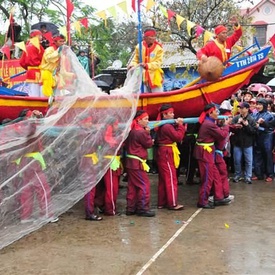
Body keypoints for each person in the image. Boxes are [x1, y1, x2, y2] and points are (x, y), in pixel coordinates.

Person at [194, 103, 231, 209]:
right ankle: (202, 201)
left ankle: (217, 197)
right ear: (210, 113)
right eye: (216, 111)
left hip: (208, 153)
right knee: (207, 178)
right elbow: (222, 135)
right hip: (205, 154)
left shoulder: (209, 122)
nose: (217, 113)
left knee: (213, 175)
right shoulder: (209, 124)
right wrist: (226, 125)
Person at [124, 110, 155, 217]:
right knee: (144, 185)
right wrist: (148, 134)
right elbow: (149, 144)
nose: (147, 121)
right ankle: (143, 208)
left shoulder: (132, 130)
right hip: (137, 162)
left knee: (132, 186)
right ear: (139, 120)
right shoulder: (141, 132)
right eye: (145, 119)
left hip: (130, 161)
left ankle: (131, 208)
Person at [155, 104, 185, 210]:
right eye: (171, 113)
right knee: (171, 178)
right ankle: (172, 203)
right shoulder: (167, 126)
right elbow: (178, 137)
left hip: (163, 152)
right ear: (164, 114)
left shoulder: (165, 125)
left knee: (163, 179)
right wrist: (181, 126)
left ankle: (162, 203)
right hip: (167, 152)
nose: (173, 115)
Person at [128, 28, 164, 93]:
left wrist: (147, 65)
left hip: (154, 77)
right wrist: (132, 65)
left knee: (157, 96)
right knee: (142, 95)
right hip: (141, 77)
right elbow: (135, 60)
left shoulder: (159, 48)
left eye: (154, 36)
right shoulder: (139, 47)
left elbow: (158, 62)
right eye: (152, 36)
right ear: (146, 37)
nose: (154, 38)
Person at [231, 102, 257, 184]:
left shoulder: (251, 119)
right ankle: (237, 175)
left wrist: (246, 125)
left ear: (247, 109)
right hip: (237, 142)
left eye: (242, 108)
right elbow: (231, 129)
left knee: (249, 161)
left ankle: (248, 176)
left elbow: (253, 132)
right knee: (237, 160)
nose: (240, 110)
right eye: (239, 108)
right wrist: (237, 125)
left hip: (248, 143)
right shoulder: (236, 118)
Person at [252, 98, 274, 182]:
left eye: (260, 105)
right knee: (257, 156)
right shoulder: (255, 114)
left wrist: (259, 127)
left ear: (264, 106)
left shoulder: (269, 115)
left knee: (268, 156)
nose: (258, 106)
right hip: (257, 137)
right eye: (257, 104)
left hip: (267, 137)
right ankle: (259, 174)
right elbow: (253, 124)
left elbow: (270, 128)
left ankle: (270, 175)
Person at [19, 30, 45, 97]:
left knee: (34, 92)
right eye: (40, 35)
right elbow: (43, 59)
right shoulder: (35, 46)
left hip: (31, 72)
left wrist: (28, 68)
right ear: (35, 36)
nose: (41, 37)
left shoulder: (27, 46)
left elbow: (21, 62)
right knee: (39, 93)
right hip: (38, 72)